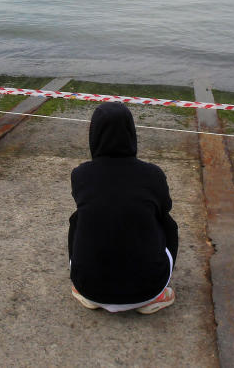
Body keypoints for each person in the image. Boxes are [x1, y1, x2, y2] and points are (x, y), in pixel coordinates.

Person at [67, 102, 179, 314]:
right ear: (131, 132)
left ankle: (86, 292)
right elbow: (165, 208)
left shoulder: (81, 175)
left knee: (79, 218)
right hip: (148, 289)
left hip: (89, 287)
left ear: (94, 134)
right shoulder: (152, 174)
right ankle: (156, 296)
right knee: (167, 222)